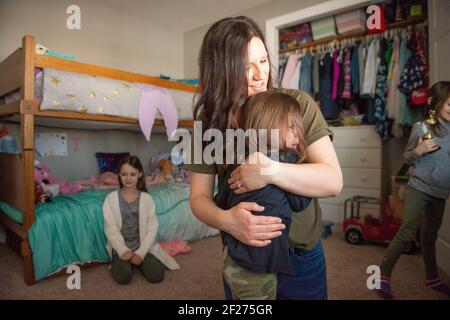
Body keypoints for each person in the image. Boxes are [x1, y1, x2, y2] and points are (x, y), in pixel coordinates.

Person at [185, 16, 343, 300]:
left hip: (301, 259)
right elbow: (198, 198)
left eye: (263, 61)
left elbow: (332, 181)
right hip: (242, 256)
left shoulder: (296, 105)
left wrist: (270, 171)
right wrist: (227, 220)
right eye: (246, 67)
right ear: (222, 71)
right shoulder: (208, 124)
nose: (260, 75)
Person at [215, 91, 312, 299]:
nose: (299, 135)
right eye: (293, 127)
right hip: (257, 265)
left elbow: (220, 200)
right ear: (270, 126)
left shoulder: (236, 157)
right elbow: (300, 202)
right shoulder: (287, 159)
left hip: (231, 257)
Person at [378, 81, 450, 299]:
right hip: (419, 187)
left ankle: (432, 277)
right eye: (449, 104)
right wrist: (418, 150)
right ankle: (383, 275)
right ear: (435, 103)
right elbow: (407, 157)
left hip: (441, 191)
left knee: (429, 236)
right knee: (407, 232)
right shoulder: (423, 128)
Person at [103, 155, 180, 284]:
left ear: (140, 174)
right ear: (119, 175)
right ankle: (126, 261)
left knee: (156, 276)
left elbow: (152, 229)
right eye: (124, 174)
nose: (128, 178)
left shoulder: (147, 199)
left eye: (132, 174)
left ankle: (139, 260)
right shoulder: (110, 199)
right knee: (123, 278)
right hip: (121, 248)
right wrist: (122, 250)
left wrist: (141, 253)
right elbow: (111, 229)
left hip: (144, 246)